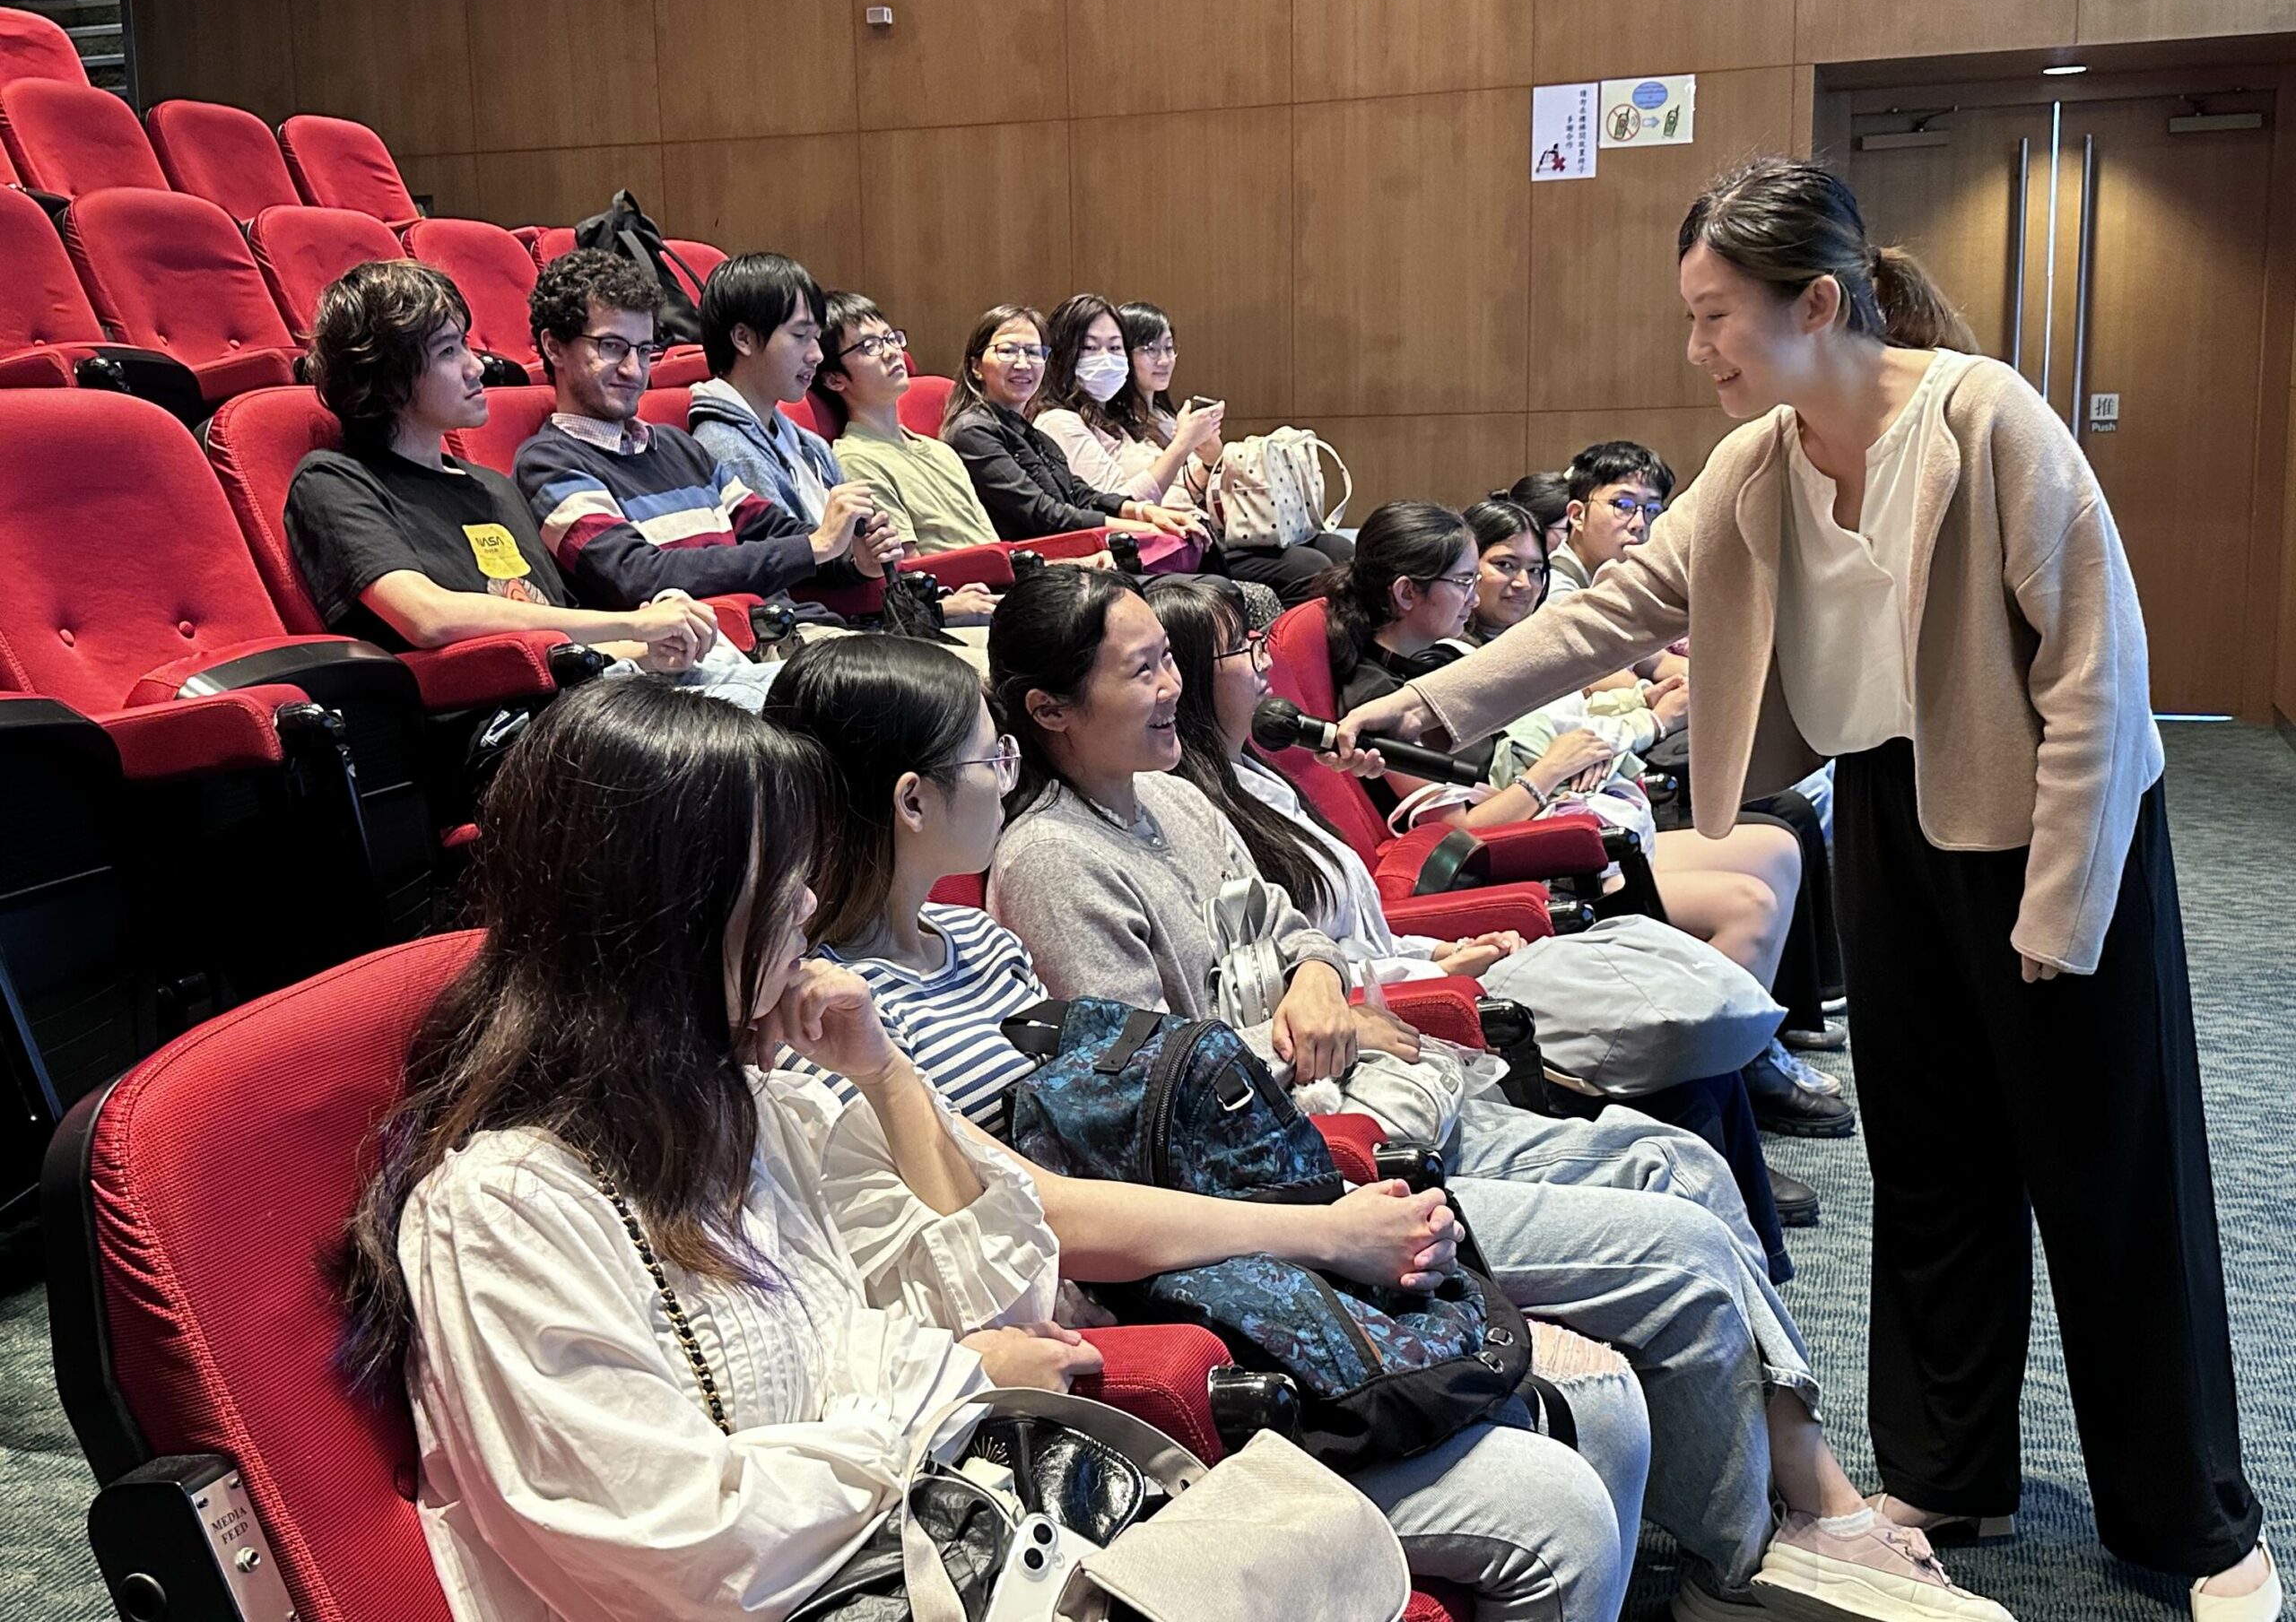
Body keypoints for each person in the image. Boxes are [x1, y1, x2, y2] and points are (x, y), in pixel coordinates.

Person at [1336, 154, 2275, 1622]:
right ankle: (1946, 1469)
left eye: (1719, 315)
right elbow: (1622, 610)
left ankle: (2202, 1524)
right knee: (1937, 1152)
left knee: (2112, 1171)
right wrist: (1440, 704)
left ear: (1818, 304)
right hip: (1900, 811)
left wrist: (2064, 907)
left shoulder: (1982, 423)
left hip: (2054, 809)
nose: (1698, 347)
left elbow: (2101, 673)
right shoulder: (1762, 459)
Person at [986, 566, 2017, 1622]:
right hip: (1308, 1178)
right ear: (1049, 709)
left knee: (1686, 1166)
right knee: (1682, 1254)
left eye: (1171, 660)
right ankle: (1752, 1556)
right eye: (1143, 669)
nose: (1176, 688)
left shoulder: (1168, 796)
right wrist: (1312, 1031)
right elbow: (1141, 1108)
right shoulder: (1054, 862)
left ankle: (1798, 1495)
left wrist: (1315, 979)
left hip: (1374, 1088)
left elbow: (1293, 932)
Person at [763, 634, 1643, 1622]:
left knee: (1601, 1394)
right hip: (1135, 1320)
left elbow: (1119, 1123)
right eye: (990, 754)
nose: (1010, 772)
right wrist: (1330, 1232)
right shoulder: (838, 1020)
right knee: (1565, 1481)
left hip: (1213, 1240)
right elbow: (1036, 1209)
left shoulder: (975, 937)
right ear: (912, 799)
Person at [336, 676, 1104, 1620]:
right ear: (671, 911)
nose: (813, 901)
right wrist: (945, 1388)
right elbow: (684, 1548)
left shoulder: (750, 1110)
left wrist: (885, 1074)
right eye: (783, 873)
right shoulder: (506, 1207)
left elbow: (1006, 1296)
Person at [1139, 571, 1805, 1255]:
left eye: (1263, 644)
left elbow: (1329, 935)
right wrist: (1429, 967)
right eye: (1244, 652)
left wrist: (1437, 953)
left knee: (1689, 1024)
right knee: (1678, 1095)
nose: (1267, 663)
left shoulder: (1259, 775)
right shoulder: (1191, 814)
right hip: (1386, 1018)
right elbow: (1264, 990)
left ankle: (1754, 1205)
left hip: (1406, 970)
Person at [1318, 503, 1848, 1138]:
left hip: (1557, 815)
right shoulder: (1383, 707)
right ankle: (1721, 1092)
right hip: (1506, 864)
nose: (1484, 593)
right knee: (1748, 902)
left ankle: (1753, 1057)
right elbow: (1459, 834)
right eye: (1469, 579)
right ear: (1407, 592)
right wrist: (1548, 774)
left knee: (1775, 848)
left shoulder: (1446, 658)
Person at [284, 260, 777, 709]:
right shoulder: (334, 480)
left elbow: (563, 627)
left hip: (592, 696)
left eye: (468, 345)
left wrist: (657, 642)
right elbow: (427, 616)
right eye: (448, 350)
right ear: (387, 373)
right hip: (500, 726)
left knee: (814, 701)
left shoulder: (489, 486)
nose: (476, 366)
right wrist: (633, 625)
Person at [513, 249, 900, 611]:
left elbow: (770, 531)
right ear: (555, 347)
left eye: (645, 350)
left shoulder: (677, 446)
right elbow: (638, 575)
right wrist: (817, 545)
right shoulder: (549, 463)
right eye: (613, 347)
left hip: (787, 636)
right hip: (691, 665)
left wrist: (852, 556)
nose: (635, 370)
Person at [1119, 299, 1356, 604]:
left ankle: (1361, 649)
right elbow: (1128, 500)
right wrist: (1183, 445)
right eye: (1151, 349)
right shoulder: (1113, 428)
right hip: (1180, 541)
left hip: (1214, 527)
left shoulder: (1167, 418)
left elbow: (1197, 487)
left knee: (1340, 550)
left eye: (1169, 348)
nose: (1164, 359)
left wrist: (1210, 457)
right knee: (1310, 567)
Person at [940, 303, 1206, 558]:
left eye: (1034, 352)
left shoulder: (1031, 432)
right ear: (976, 366)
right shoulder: (973, 431)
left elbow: (1079, 493)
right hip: (1037, 569)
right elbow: (1043, 513)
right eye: (1008, 351)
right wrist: (1139, 527)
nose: (1023, 364)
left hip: (1076, 558)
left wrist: (1145, 513)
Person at [805, 290, 1001, 623]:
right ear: (834, 378)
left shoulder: (939, 449)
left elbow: (989, 542)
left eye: (890, 338)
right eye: (869, 346)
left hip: (1000, 588)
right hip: (956, 605)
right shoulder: (855, 458)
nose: (892, 352)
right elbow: (908, 570)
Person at [685, 250, 847, 526]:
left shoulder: (811, 445)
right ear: (743, 338)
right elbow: (790, 561)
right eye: (800, 336)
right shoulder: (727, 452)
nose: (817, 355)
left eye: (817, 338)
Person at [1550, 441, 1674, 600]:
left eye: (1652, 509)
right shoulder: (1556, 594)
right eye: (1623, 505)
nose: (1640, 524)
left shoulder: (1624, 581)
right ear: (1577, 515)